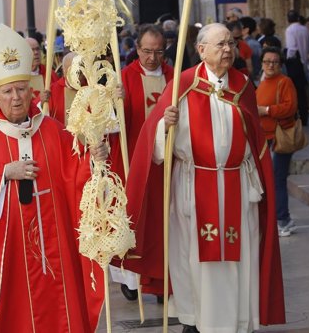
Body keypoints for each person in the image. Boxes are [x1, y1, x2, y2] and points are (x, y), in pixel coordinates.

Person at [125, 23, 285, 332]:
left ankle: (239, 321)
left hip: (237, 186)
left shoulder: (242, 85)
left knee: (239, 258)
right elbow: (155, 148)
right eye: (220, 44)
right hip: (193, 187)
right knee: (193, 260)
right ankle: (195, 320)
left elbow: (254, 138)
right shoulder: (182, 85)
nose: (227, 50)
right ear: (201, 50)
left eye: (229, 44)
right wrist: (165, 125)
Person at [0, 25, 109, 332]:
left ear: (32, 90)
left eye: (21, 89)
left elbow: (74, 178)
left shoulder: (53, 130)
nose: (16, 98)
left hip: (56, 246)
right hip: (8, 252)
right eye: (8, 92)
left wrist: (94, 161)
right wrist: (2, 173)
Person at [114, 24, 173, 299]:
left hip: (170, 164)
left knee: (166, 223)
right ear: (137, 49)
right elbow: (114, 126)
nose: (152, 58)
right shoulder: (124, 78)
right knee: (136, 221)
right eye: (147, 51)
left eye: (158, 51)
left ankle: (164, 279)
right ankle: (133, 279)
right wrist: (115, 104)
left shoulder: (175, 78)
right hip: (136, 163)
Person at [255, 47, 298, 237]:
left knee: (277, 180)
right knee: (270, 180)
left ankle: (284, 220)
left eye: (274, 62)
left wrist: (266, 110)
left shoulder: (284, 82)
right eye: (267, 62)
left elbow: (290, 107)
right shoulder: (262, 82)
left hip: (279, 138)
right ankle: (276, 218)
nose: (270, 65)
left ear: (280, 65)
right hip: (266, 138)